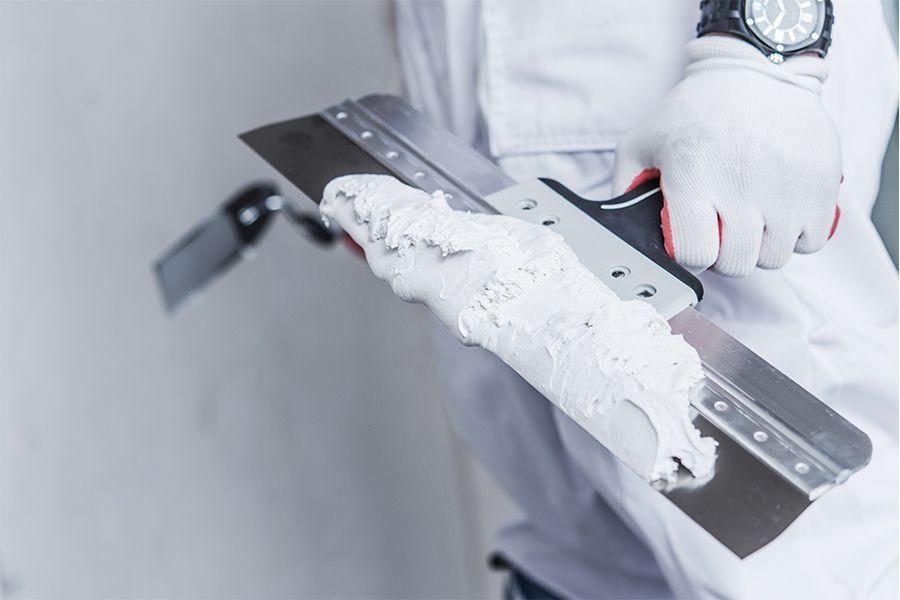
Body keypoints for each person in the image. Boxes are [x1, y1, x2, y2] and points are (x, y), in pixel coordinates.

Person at [394, 1, 899, 598]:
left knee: (802, 547)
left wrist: (768, 52)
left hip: (706, 74)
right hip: (480, 59)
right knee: (585, 504)